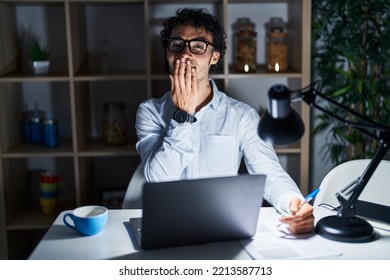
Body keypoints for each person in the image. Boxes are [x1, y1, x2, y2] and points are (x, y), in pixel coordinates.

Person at [135, 7, 314, 234]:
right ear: (167, 53)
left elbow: (269, 173)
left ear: (214, 57)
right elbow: (158, 180)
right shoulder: (150, 112)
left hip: (221, 226)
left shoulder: (243, 116)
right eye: (176, 45)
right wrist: (183, 116)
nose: (184, 54)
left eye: (198, 46)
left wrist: (293, 203)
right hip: (167, 225)